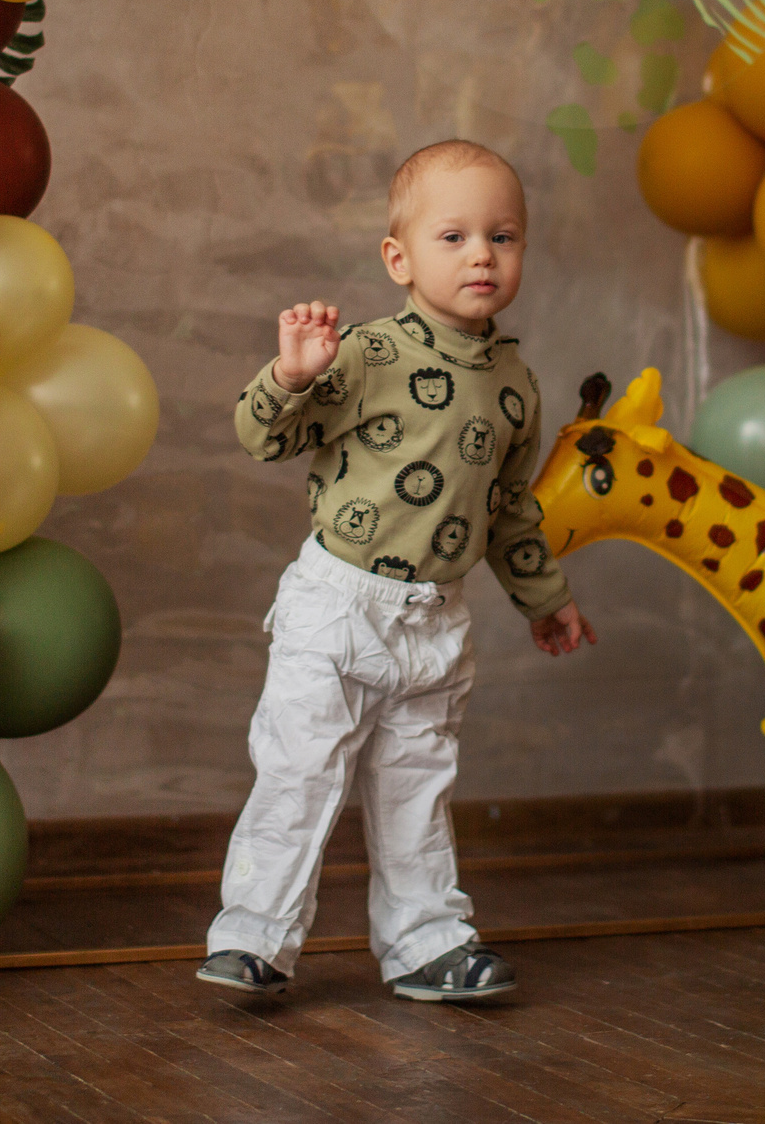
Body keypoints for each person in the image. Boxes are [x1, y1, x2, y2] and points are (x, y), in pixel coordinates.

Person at [200, 139, 596, 1003]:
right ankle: (254, 936)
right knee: (300, 773)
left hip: (436, 620)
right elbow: (263, 436)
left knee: (418, 783)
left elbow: (510, 510)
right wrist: (291, 374)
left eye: (503, 236)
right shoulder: (366, 354)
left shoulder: (517, 384)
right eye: (454, 236)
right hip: (339, 605)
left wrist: (547, 598)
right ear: (399, 258)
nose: (482, 254)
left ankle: (426, 942)